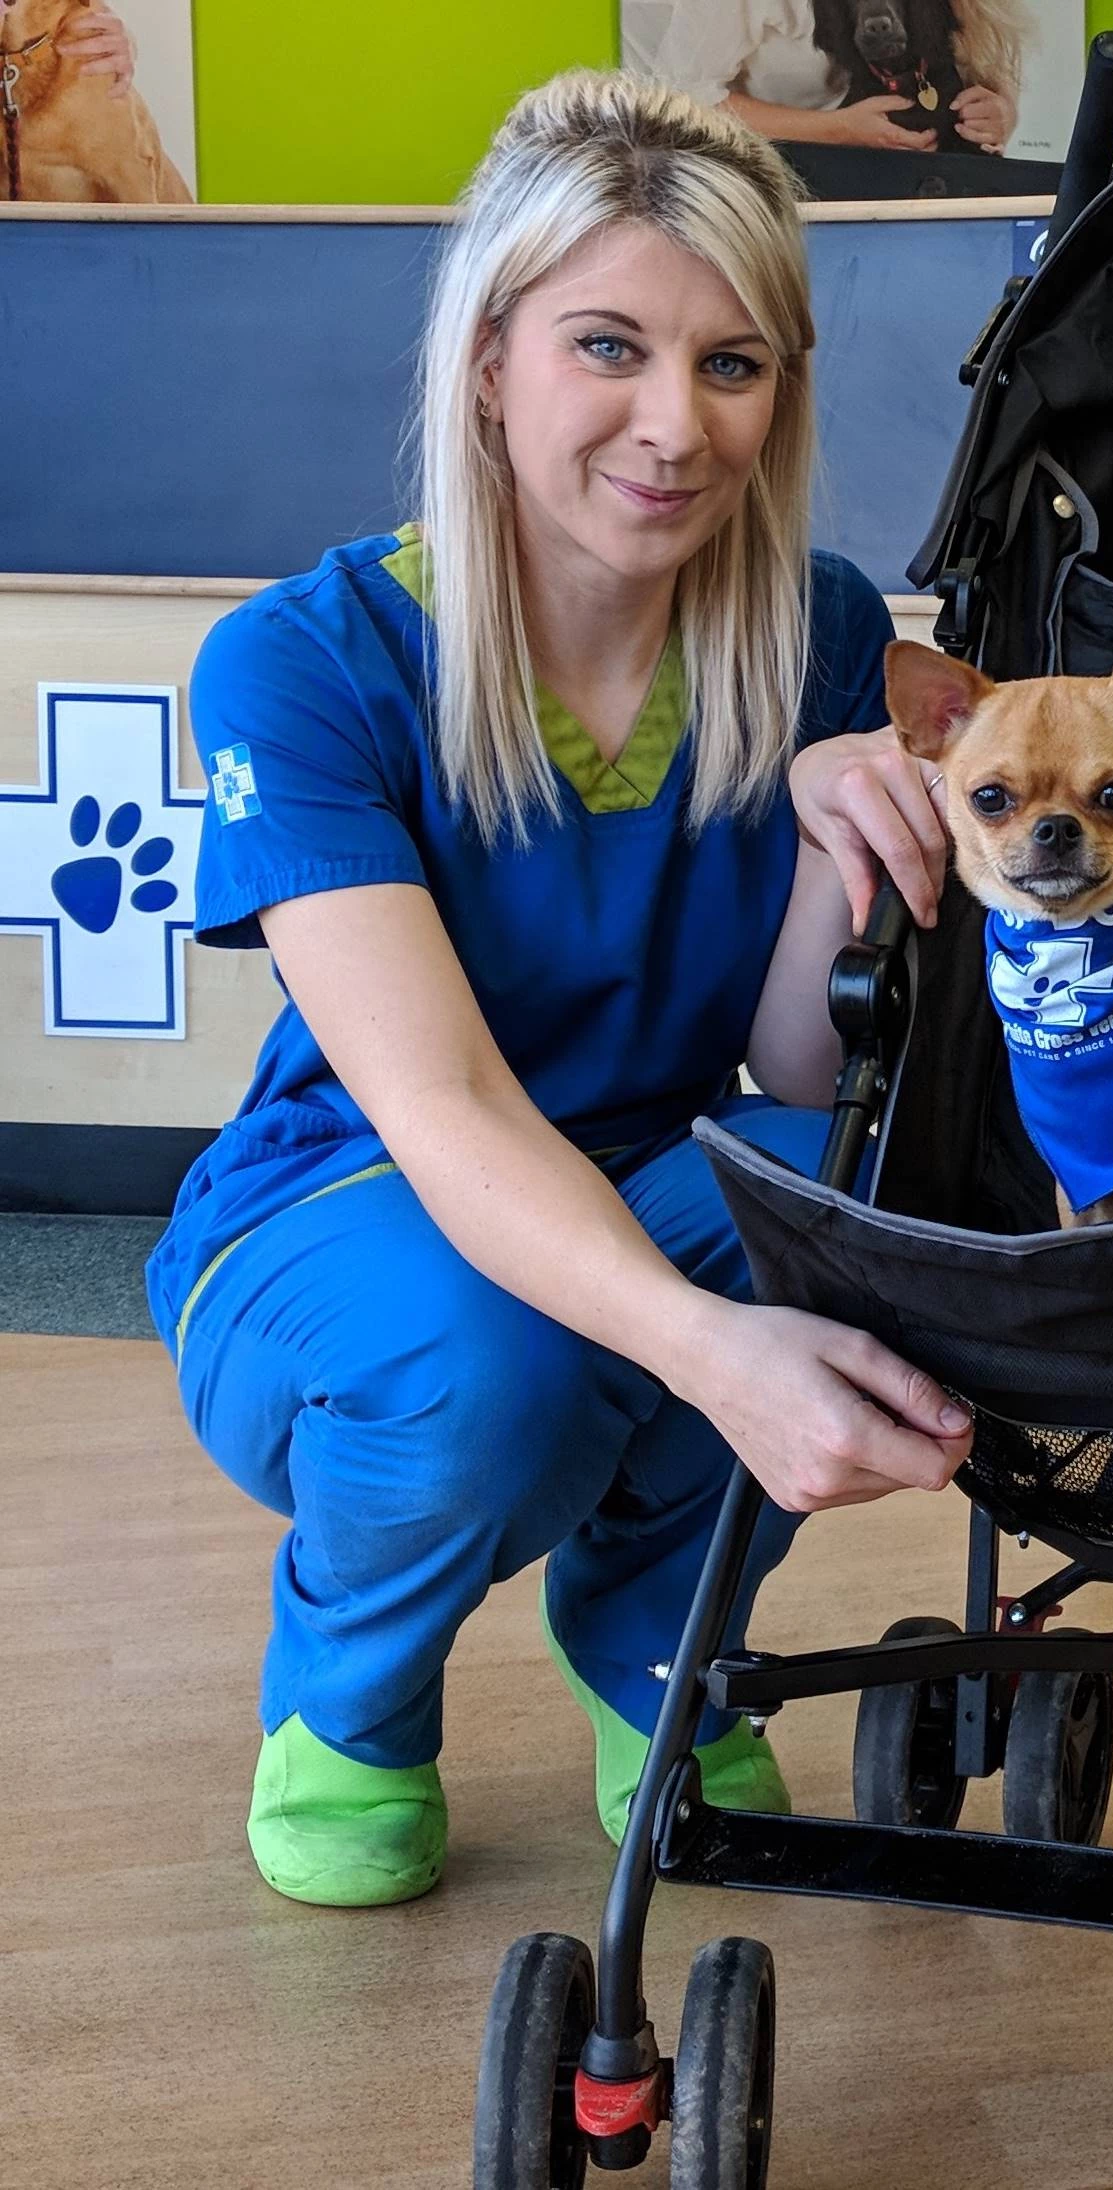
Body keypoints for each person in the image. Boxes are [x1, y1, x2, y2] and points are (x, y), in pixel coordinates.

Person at [143, 69, 969, 1910]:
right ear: (491, 358)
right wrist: (705, 1351)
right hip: (347, 1214)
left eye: (732, 365)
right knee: (494, 1360)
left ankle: (654, 1645)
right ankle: (346, 1704)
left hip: (656, 1169)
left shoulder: (826, 633)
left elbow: (779, 1068)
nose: (673, 425)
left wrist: (838, 824)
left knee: (847, 1182)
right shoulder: (304, 661)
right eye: (609, 346)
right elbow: (437, 1109)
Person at [624, 0, 1022, 155]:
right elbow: (674, 104)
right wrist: (837, 130)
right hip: (744, 166)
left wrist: (1000, 110)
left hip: (876, 161)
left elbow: (985, 48)